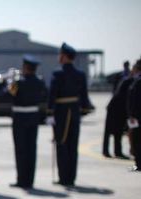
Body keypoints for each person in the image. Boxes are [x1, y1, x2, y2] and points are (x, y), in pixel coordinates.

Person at [47, 43, 94, 187]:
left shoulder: (58, 73)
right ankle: (71, 178)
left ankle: (64, 178)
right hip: (75, 112)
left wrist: (50, 112)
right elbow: (84, 97)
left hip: (61, 112)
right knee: (73, 146)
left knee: (62, 144)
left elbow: (52, 95)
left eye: (60, 54)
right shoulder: (80, 74)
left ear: (64, 56)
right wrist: (84, 110)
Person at [8, 55, 48, 189]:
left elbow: (7, 94)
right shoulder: (39, 82)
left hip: (19, 117)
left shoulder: (18, 82)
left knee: (20, 150)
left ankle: (21, 180)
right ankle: (30, 180)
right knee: (31, 149)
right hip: (33, 117)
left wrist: (11, 81)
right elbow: (44, 96)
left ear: (25, 67)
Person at [103, 66, 133, 159]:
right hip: (115, 109)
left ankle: (117, 151)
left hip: (119, 109)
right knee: (110, 132)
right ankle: (107, 151)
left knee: (117, 132)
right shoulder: (128, 81)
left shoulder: (128, 80)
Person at [127, 59, 141, 171]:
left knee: (136, 139)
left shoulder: (137, 82)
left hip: (136, 117)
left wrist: (131, 116)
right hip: (136, 116)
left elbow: (134, 101)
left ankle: (138, 164)